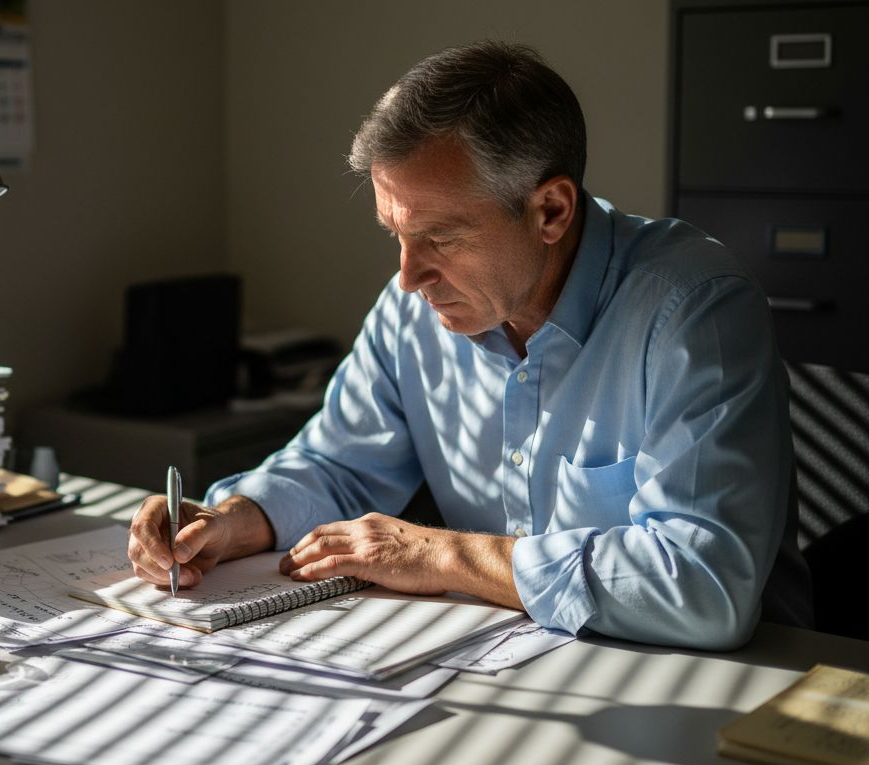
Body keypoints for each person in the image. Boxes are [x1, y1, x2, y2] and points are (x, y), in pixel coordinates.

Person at [127, 41, 811, 650]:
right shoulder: (416, 310)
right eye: (395, 233)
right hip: (512, 661)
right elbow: (340, 467)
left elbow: (704, 587)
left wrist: (448, 558)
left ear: (551, 211)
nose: (408, 276)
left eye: (442, 238)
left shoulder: (695, 312)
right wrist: (231, 519)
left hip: (726, 685)